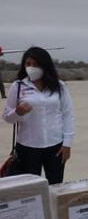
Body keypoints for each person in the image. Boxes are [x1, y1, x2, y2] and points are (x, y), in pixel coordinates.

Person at [2, 47, 75, 184]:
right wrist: (17, 112)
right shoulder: (18, 86)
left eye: (35, 64)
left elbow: (68, 114)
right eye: (28, 64)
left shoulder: (59, 86)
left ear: (44, 65)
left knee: (56, 185)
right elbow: (7, 117)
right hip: (28, 147)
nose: (31, 68)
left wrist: (67, 144)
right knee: (30, 190)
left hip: (56, 146)